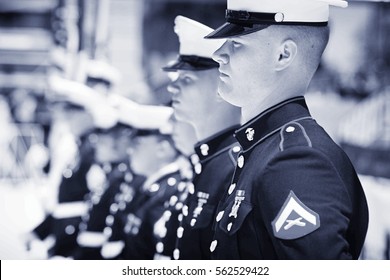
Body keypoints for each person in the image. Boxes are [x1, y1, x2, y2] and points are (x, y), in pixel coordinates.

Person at [204, 0, 368, 259]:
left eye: (236, 43)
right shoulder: (267, 148)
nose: (218, 54)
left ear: (284, 55)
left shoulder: (295, 161)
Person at [163, 16, 242, 260]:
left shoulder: (235, 167)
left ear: (221, 86)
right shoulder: (208, 161)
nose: (172, 89)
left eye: (186, 79)